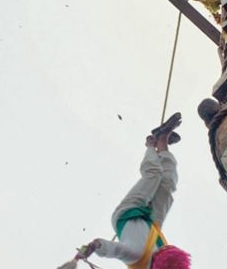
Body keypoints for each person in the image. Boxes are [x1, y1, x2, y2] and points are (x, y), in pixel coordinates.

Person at [60, 113, 191, 269]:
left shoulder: (135, 254)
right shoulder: (166, 258)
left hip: (127, 214)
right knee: (167, 184)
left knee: (154, 175)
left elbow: (115, 250)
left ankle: (150, 144)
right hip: (152, 225)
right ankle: (162, 139)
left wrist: (94, 246)